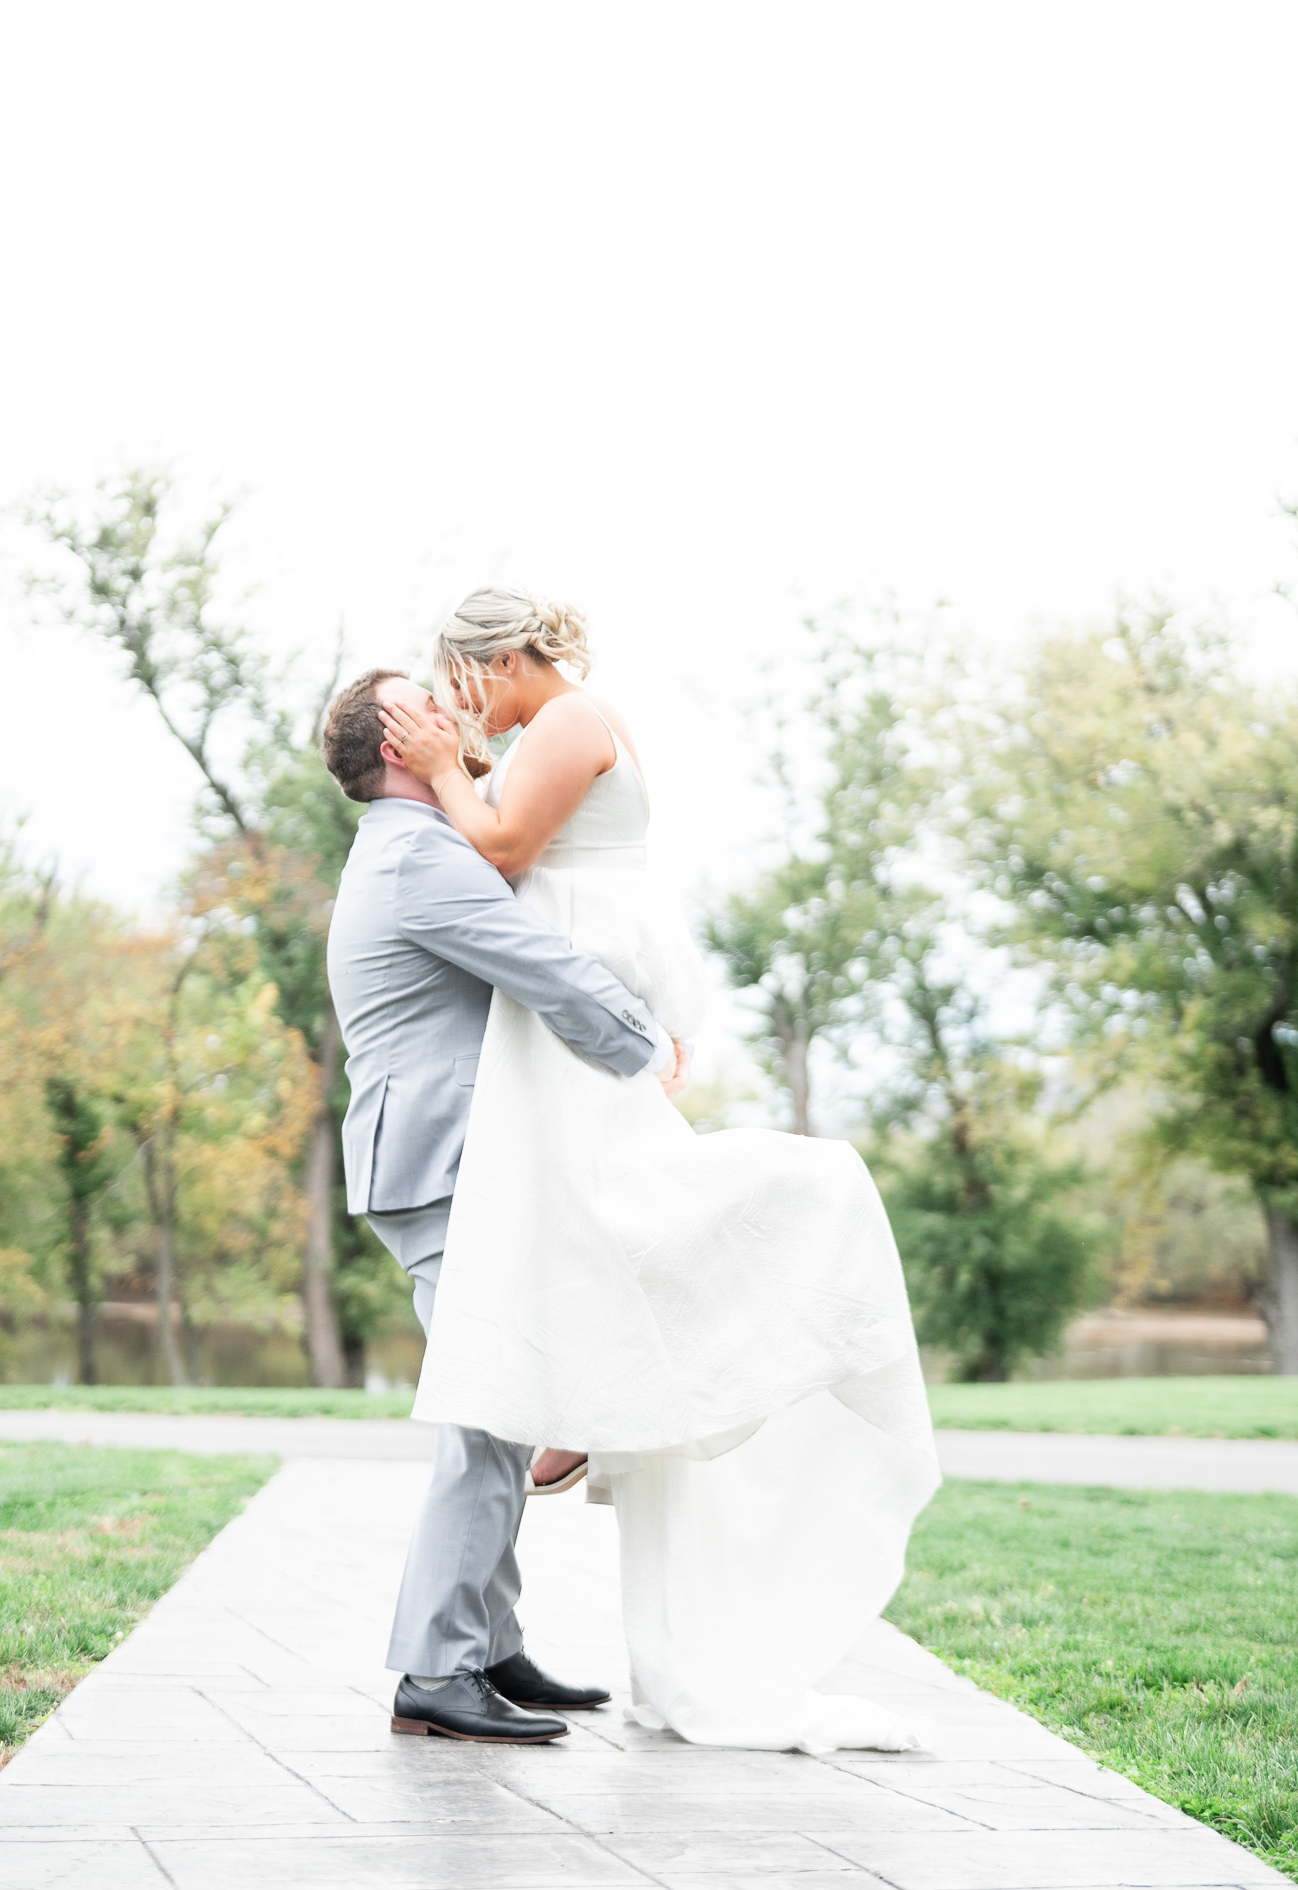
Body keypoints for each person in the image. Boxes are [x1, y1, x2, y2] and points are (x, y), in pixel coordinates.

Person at [376, 586, 942, 1754]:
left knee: (623, 1217)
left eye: (463, 679)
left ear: (505, 658)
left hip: (576, 1009)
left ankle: (597, 1396)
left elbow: (501, 843)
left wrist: (441, 765)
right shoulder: (538, 739)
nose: (461, 707)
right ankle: (579, 1411)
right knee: (549, 1270)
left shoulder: (574, 720)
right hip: (561, 1017)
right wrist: (456, 763)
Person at [322, 667, 690, 1744]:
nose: (459, 709)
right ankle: (437, 1667)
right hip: (438, 1159)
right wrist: (644, 1041)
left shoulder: (417, 846)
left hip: (440, 1154)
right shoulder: (420, 855)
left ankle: (487, 1641)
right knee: (490, 1413)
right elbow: (537, 964)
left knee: (510, 1398)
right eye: (427, 699)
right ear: (398, 740)